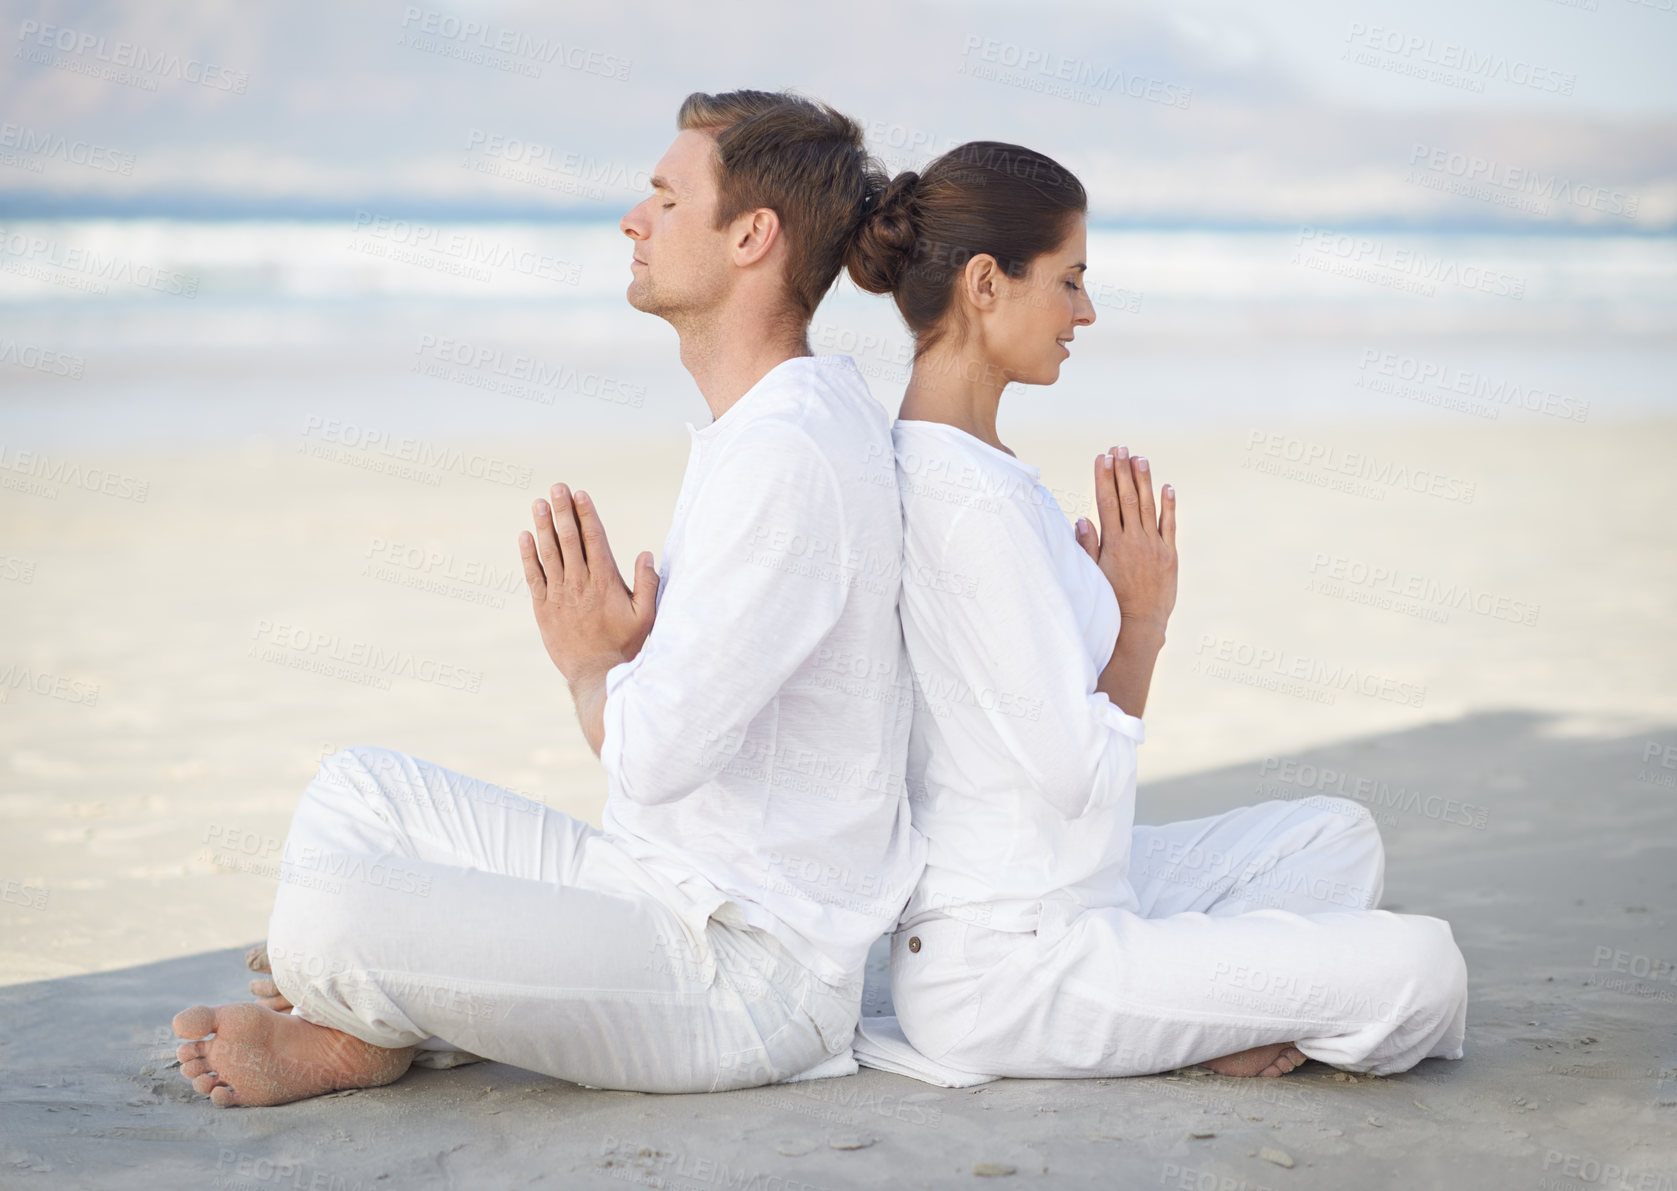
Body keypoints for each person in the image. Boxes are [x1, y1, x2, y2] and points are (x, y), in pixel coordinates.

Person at [171, 89, 925, 1106]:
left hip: (746, 981)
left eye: (665, 199)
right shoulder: (779, 419)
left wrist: (591, 665)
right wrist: (639, 660)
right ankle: (379, 1010)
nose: (634, 220)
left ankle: (362, 1026)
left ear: (751, 235)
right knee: (359, 789)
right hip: (661, 886)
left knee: (330, 922)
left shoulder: (789, 453)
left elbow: (653, 759)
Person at [845, 142, 1468, 1081]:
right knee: (1422, 966)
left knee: (1333, 835)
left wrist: (1091, 604)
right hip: (1017, 963)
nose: (1084, 311)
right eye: (1069, 279)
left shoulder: (973, 470)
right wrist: (1139, 623)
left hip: (1083, 890)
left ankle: (1197, 1000)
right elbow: (1071, 778)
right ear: (984, 282)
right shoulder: (966, 504)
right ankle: (1206, 1019)